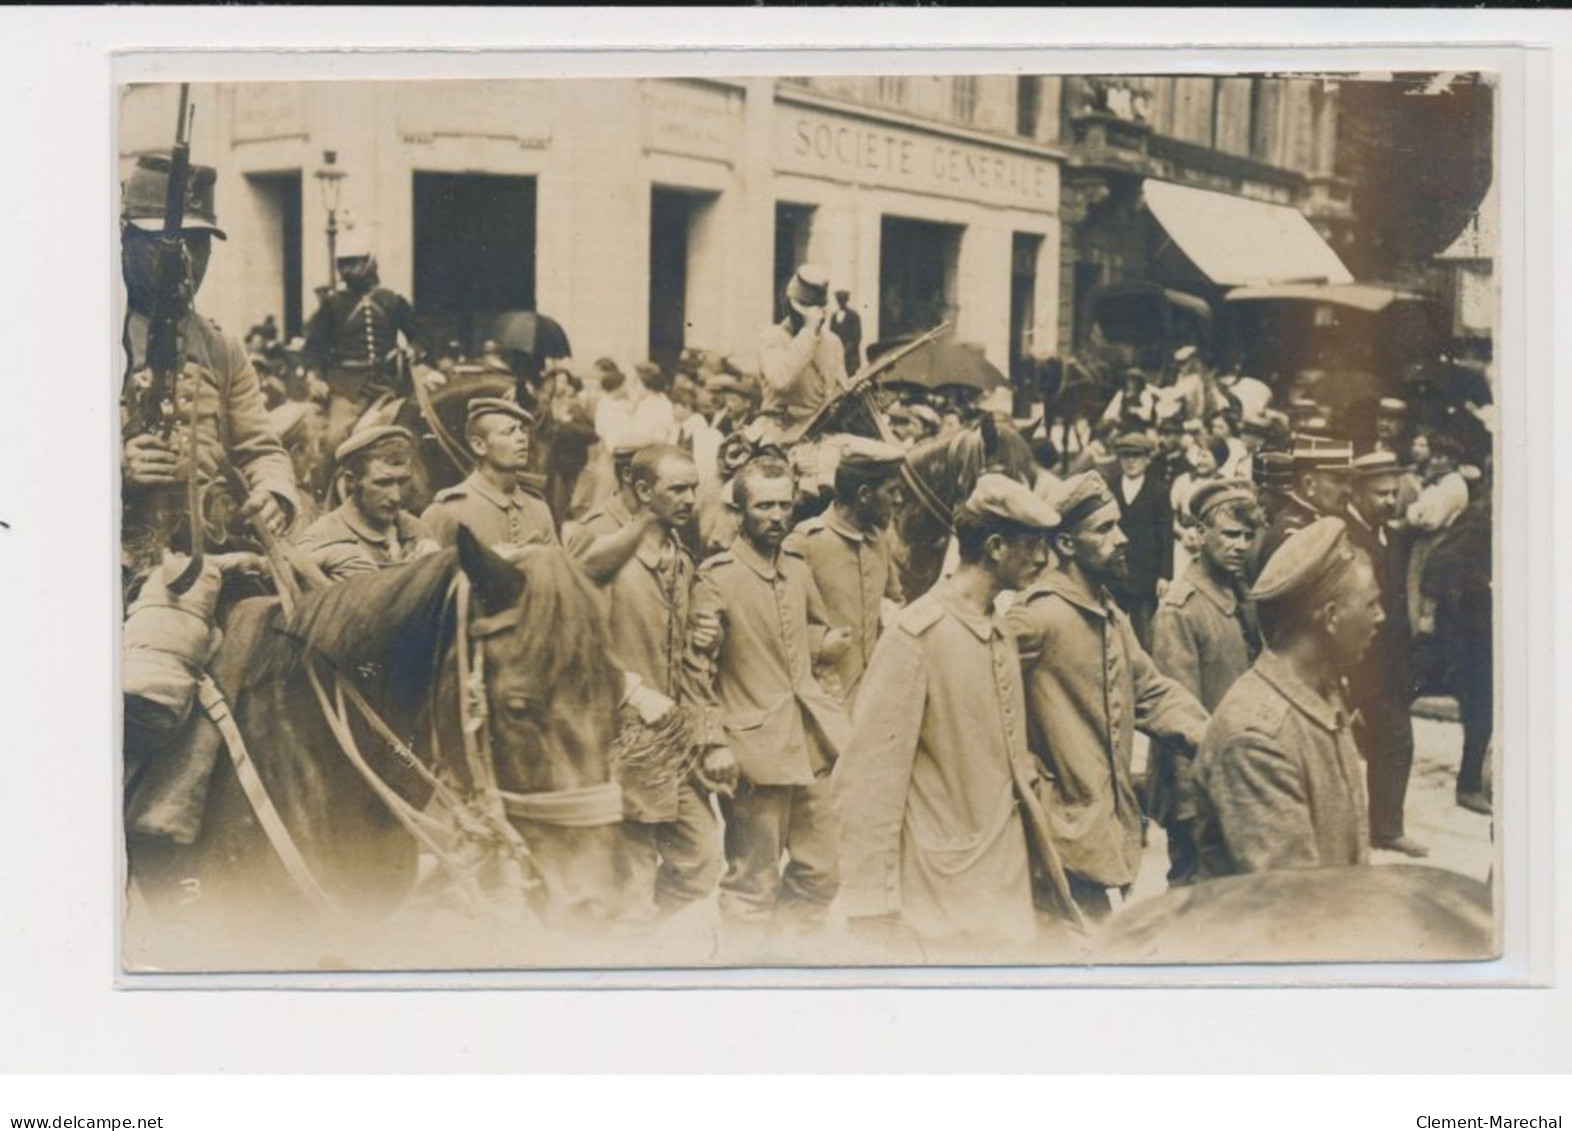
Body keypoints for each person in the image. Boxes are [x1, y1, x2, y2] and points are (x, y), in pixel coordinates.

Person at [837, 475, 1081, 958]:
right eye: (1032, 546)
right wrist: (872, 902)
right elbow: (867, 780)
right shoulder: (917, 635)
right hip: (941, 890)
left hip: (1002, 877)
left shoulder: (996, 627)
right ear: (995, 546)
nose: (1042, 560)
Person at [1007, 472, 1208, 919]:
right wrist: (1033, 783)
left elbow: (1151, 693)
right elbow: (978, 706)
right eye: (1103, 529)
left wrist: (1214, 737)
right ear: (1065, 545)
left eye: (1118, 525)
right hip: (1052, 835)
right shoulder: (1036, 618)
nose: (1121, 539)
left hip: (1097, 831)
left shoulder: (1108, 613)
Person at [680, 457, 853, 951]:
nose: (777, 516)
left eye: (785, 505)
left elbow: (812, 630)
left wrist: (825, 642)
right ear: (739, 511)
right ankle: (746, 974)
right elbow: (697, 671)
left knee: (823, 872)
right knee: (752, 884)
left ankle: (786, 955)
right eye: (764, 506)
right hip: (754, 751)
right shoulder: (716, 576)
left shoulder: (797, 569)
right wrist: (713, 740)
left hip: (811, 742)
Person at [118, 153, 296, 586]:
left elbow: (260, 446)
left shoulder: (219, 345)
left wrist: (275, 492)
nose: (185, 259)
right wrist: (119, 465)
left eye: (199, 243)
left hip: (216, 541)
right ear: (126, 241)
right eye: (168, 241)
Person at [562, 445, 721, 918]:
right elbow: (576, 647)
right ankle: (629, 951)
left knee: (703, 859)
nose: (690, 499)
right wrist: (629, 689)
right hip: (622, 740)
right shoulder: (605, 559)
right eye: (678, 489)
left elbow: (688, 654)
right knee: (633, 874)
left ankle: (646, 939)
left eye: (694, 488)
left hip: (674, 741)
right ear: (642, 490)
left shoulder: (681, 559)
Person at [1194, 518, 1382, 877]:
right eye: (1371, 603)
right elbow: (1292, 904)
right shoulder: (1256, 738)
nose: (1380, 616)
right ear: (1331, 617)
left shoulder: (1320, 692)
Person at [1149, 479, 1262, 887]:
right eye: (1230, 534)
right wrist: (1188, 807)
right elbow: (1175, 713)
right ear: (1199, 535)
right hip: (1198, 789)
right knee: (1193, 895)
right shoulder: (1181, 610)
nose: (1241, 545)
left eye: (1248, 536)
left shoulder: (1241, 597)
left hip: (1233, 776)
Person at [1342, 451, 1427, 856]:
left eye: (1394, 493)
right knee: (1357, 745)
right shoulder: (1344, 536)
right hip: (1358, 664)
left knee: (1394, 743)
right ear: (1356, 491)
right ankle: (1365, 830)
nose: (1390, 501)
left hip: (1388, 665)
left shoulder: (1388, 536)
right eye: (1380, 493)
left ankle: (1384, 826)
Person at [783, 438, 907, 705]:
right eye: (892, 491)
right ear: (863, 495)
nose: (899, 500)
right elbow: (773, 620)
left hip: (874, 694)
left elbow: (894, 601)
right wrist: (818, 644)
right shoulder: (806, 542)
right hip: (822, 698)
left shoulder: (880, 540)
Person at [301, 237, 429, 460]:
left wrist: (412, 349)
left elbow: (420, 336)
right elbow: (314, 346)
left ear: (370, 263)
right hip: (346, 385)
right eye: (344, 264)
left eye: (356, 262)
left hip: (389, 383)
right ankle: (328, 494)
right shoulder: (333, 304)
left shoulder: (391, 300)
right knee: (334, 441)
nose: (349, 270)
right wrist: (315, 377)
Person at [297, 426, 438, 580]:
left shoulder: (419, 531)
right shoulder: (321, 537)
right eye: (383, 483)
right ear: (352, 481)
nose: (396, 497)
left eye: (403, 481)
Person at [420, 398, 558, 554]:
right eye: (509, 431)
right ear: (479, 446)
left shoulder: (539, 509)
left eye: (522, 430)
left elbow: (557, 574)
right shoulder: (446, 512)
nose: (522, 438)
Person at [756, 264, 849, 444]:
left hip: (822, 434)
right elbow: (781, 380)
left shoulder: (832, 342)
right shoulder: (772, 338)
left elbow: (837, 392)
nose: (817, 319)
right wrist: (808, 331)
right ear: (789, 309)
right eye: (806, 315)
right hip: (780, 435)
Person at [1100, 427, 1172, 650]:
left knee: (1145, 635)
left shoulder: (1158, 491)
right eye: (1125, 456)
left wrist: (1164, 574)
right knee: (1111, 631)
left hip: (1145, 573)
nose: (1131, 462)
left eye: (1137, 456)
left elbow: (1165, 535)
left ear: (1148, 459)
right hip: (1114, 573)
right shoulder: (1109, 489)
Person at [1254, 435, 1353, 575]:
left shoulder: (1320, 524)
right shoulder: (1291, 537)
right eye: (1338, 480)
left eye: (1349, 481)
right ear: (1308, 483)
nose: (1348, 489)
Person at [828, 287, 864, 378]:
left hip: (851, 357)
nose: (840, 303)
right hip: (837, 356)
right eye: (839, 300)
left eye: (842, 300)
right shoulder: (834, 316)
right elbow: (831, 334)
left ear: (846, 300)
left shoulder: (854, 316)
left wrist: (845, 350)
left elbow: (857, 337)